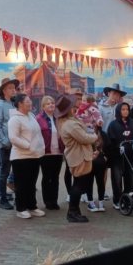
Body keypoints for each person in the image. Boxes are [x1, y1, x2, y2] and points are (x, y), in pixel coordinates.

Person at [56, 94, 95, 223]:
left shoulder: (68, 122)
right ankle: (72, 213)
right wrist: (95, 136)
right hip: (79, 157)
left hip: (77, 156)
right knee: (78, 185)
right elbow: (84, 138)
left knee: (78, 184)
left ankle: (74, 211)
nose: (76, 106)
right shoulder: (70, 124)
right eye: (73, 105)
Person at [8, 93, 46, 219]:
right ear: (20, 104)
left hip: (34, 155)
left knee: (31, 183)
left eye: (30, 101)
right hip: (21, 157)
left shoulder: (31, 116)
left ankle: (32, 206)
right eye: (28, 101)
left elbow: (37, 134)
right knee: (21, 184)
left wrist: (39, 148)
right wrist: (28, 145)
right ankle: (21, 208)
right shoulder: (15, 119)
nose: (30, 103)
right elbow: (13, 138)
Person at [0, 77, 18, 210]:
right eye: (10, 88)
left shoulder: (14, 104)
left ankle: (17, 196)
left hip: (16, 144)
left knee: (16, 171)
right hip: (7, 145)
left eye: (14, 88)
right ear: (4, 91)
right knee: (4, 171)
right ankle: (2, 199)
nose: (13, 90)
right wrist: (4, 141)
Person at [107, 102, 133, 209]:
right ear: (118, 111)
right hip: (117, 157)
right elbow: (110, 141)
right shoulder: (113, 125)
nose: (125, 111)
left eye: (127, 109)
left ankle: (129, 200)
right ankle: (117, 200)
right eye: (123, 109)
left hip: (130, 156)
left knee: (129, 178)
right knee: (117, 179)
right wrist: (116, 148)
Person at [36, 95, 64, 210]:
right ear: (43, 106)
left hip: (58, 152)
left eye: (52, 103)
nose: (51, 105)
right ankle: (47, 201)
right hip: (46, 153)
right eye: (48, 103)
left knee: (55, 177)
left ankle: (54, 201)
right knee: (47, 177)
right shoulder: (38, 119)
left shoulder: (58, 118)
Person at [85, 122, 110, 213]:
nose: (93, 124)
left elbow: (108, 146)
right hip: (90, 160)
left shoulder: (102, 134)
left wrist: (105, 156)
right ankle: (93, 202)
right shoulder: (85, 133)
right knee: (91, 181)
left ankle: (99, 202)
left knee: (99, 182)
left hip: (98, 161)